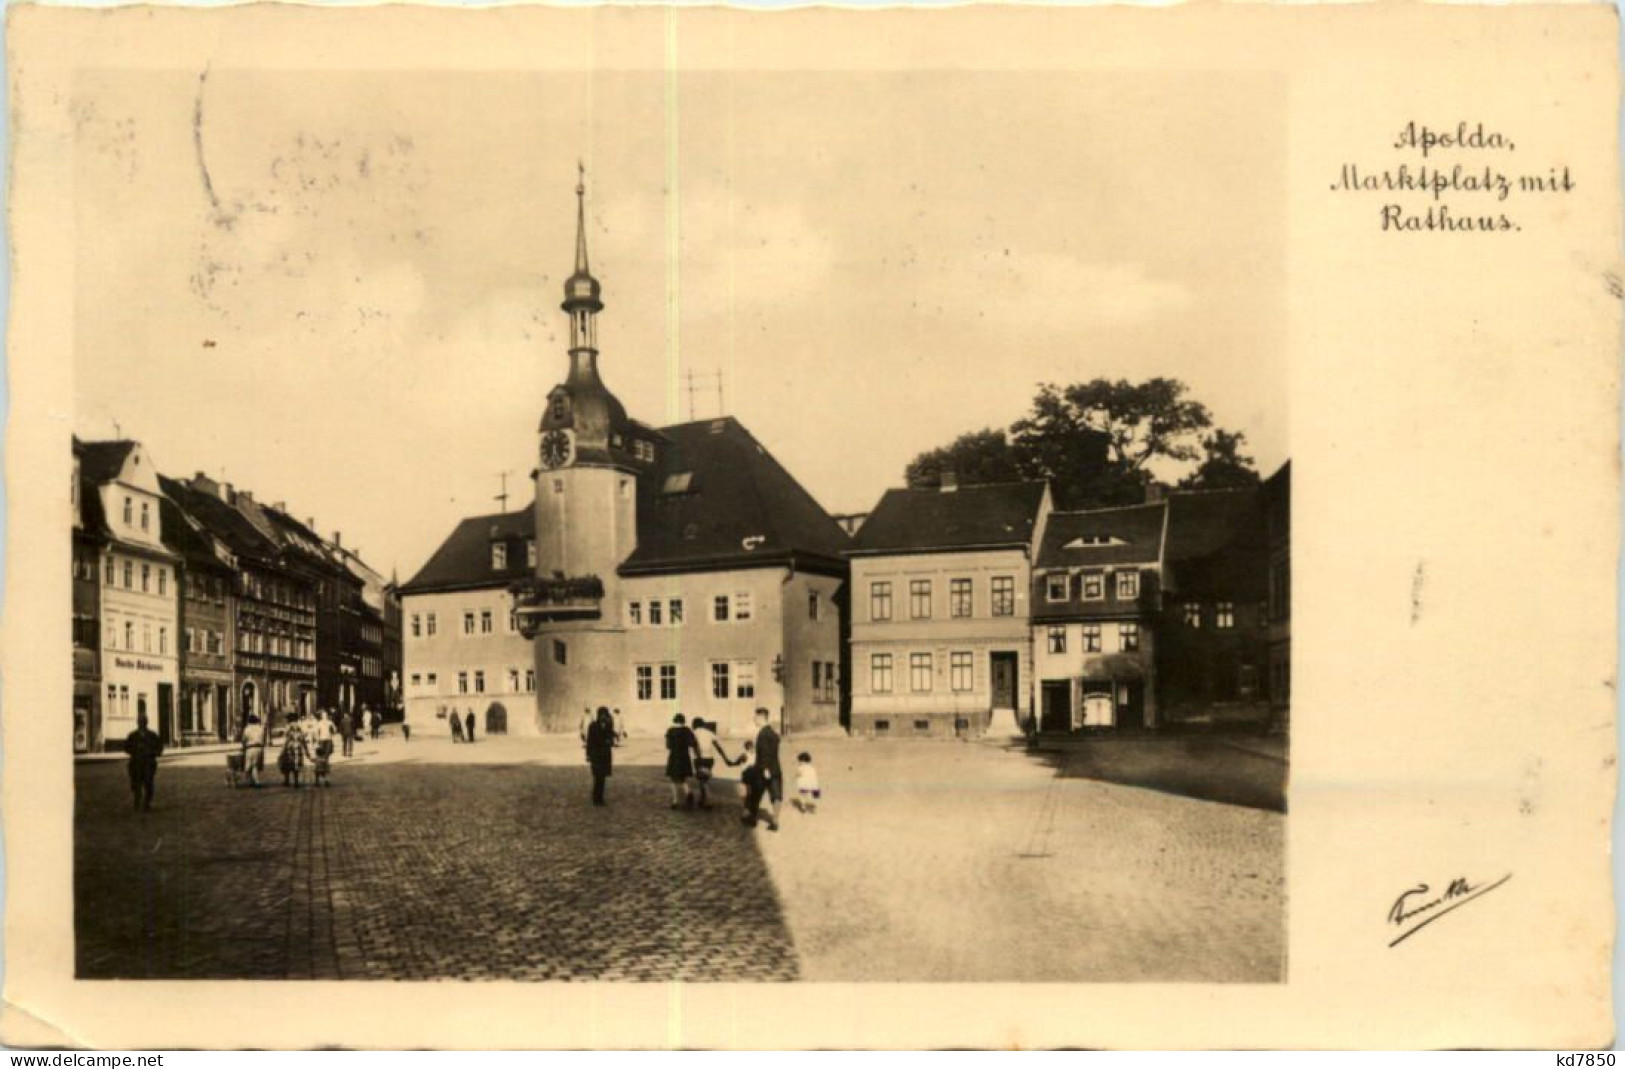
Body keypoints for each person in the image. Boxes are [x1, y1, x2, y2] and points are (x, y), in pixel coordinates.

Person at [741, 707, 783, 831]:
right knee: (776, 795)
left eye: (755, 717)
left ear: (761, 717)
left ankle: (752, 819)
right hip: (775, 769)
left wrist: (765, 769)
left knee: (755, 795)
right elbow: (773, 751)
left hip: (763, 770)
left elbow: (765, 753)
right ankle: (775, 822)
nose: (754, 719)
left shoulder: (762, 734)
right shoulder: (773, 733)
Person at [123, 710, 163, 812]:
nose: (142, 723)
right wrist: (135, 750)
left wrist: (153, 752)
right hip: (136, 764)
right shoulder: (133, 736)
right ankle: (137, 802)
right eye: (140, 721)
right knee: (136, 785)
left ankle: (146, 804)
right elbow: (126, 748)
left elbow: (159, 748)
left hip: (148, 764)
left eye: (143, 721)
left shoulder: (152, 736)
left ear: (146, 722)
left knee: (148, 784)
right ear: (137, 723)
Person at [690, 718, 734, 810]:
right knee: (703, 779)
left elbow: (694, 746)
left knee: (703, 780)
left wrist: (698, 758)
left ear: (694, 725)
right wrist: (725, 759)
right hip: (710, 759)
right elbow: (718, 747)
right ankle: (702, 800)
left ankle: (708, 800)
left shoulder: (693, 733)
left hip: (699, 759)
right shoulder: (709, 733)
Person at [664, 713, 700, 810]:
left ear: (674, 720)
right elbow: (693, 744)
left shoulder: (670, 731)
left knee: (673, 780)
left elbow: (668, 746)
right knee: (683, 778)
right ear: (683, 721)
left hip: (674, 757)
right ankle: (688, 792)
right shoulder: (687, 730)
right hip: (684, 757)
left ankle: (675, 801)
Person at [585, 706, 615, 806]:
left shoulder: (608, 726)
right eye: (602, 715)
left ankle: (600, 797)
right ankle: (596, 797)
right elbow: (589, 741)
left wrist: (609, 739)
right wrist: (588, 755)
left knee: (602, 777)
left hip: (605, 755)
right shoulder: (593, 726)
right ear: (598, 715)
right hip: (596, 755)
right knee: (597, 776)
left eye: (605, 715)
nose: (603, 717)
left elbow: (611, 738)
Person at [279, 712, 311, 788]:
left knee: (286, 764)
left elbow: (287, 739)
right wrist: (307, 752)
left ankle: (287, 781)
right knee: (296, 765)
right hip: (298, 747)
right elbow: (303, 739)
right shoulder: (299, 727)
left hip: (289, 747)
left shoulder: (288, 727)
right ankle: (296, 781)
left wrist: (282, 750)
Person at [240, 714, 266, 788]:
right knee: (255, 765)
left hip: (250, 748)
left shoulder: (247, 729)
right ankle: (254, 780)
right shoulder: (260, 728)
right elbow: (263, 738)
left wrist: (243, 746)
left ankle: (253, 780)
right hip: (259, 748)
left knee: (249, 765)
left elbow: (244, 739)